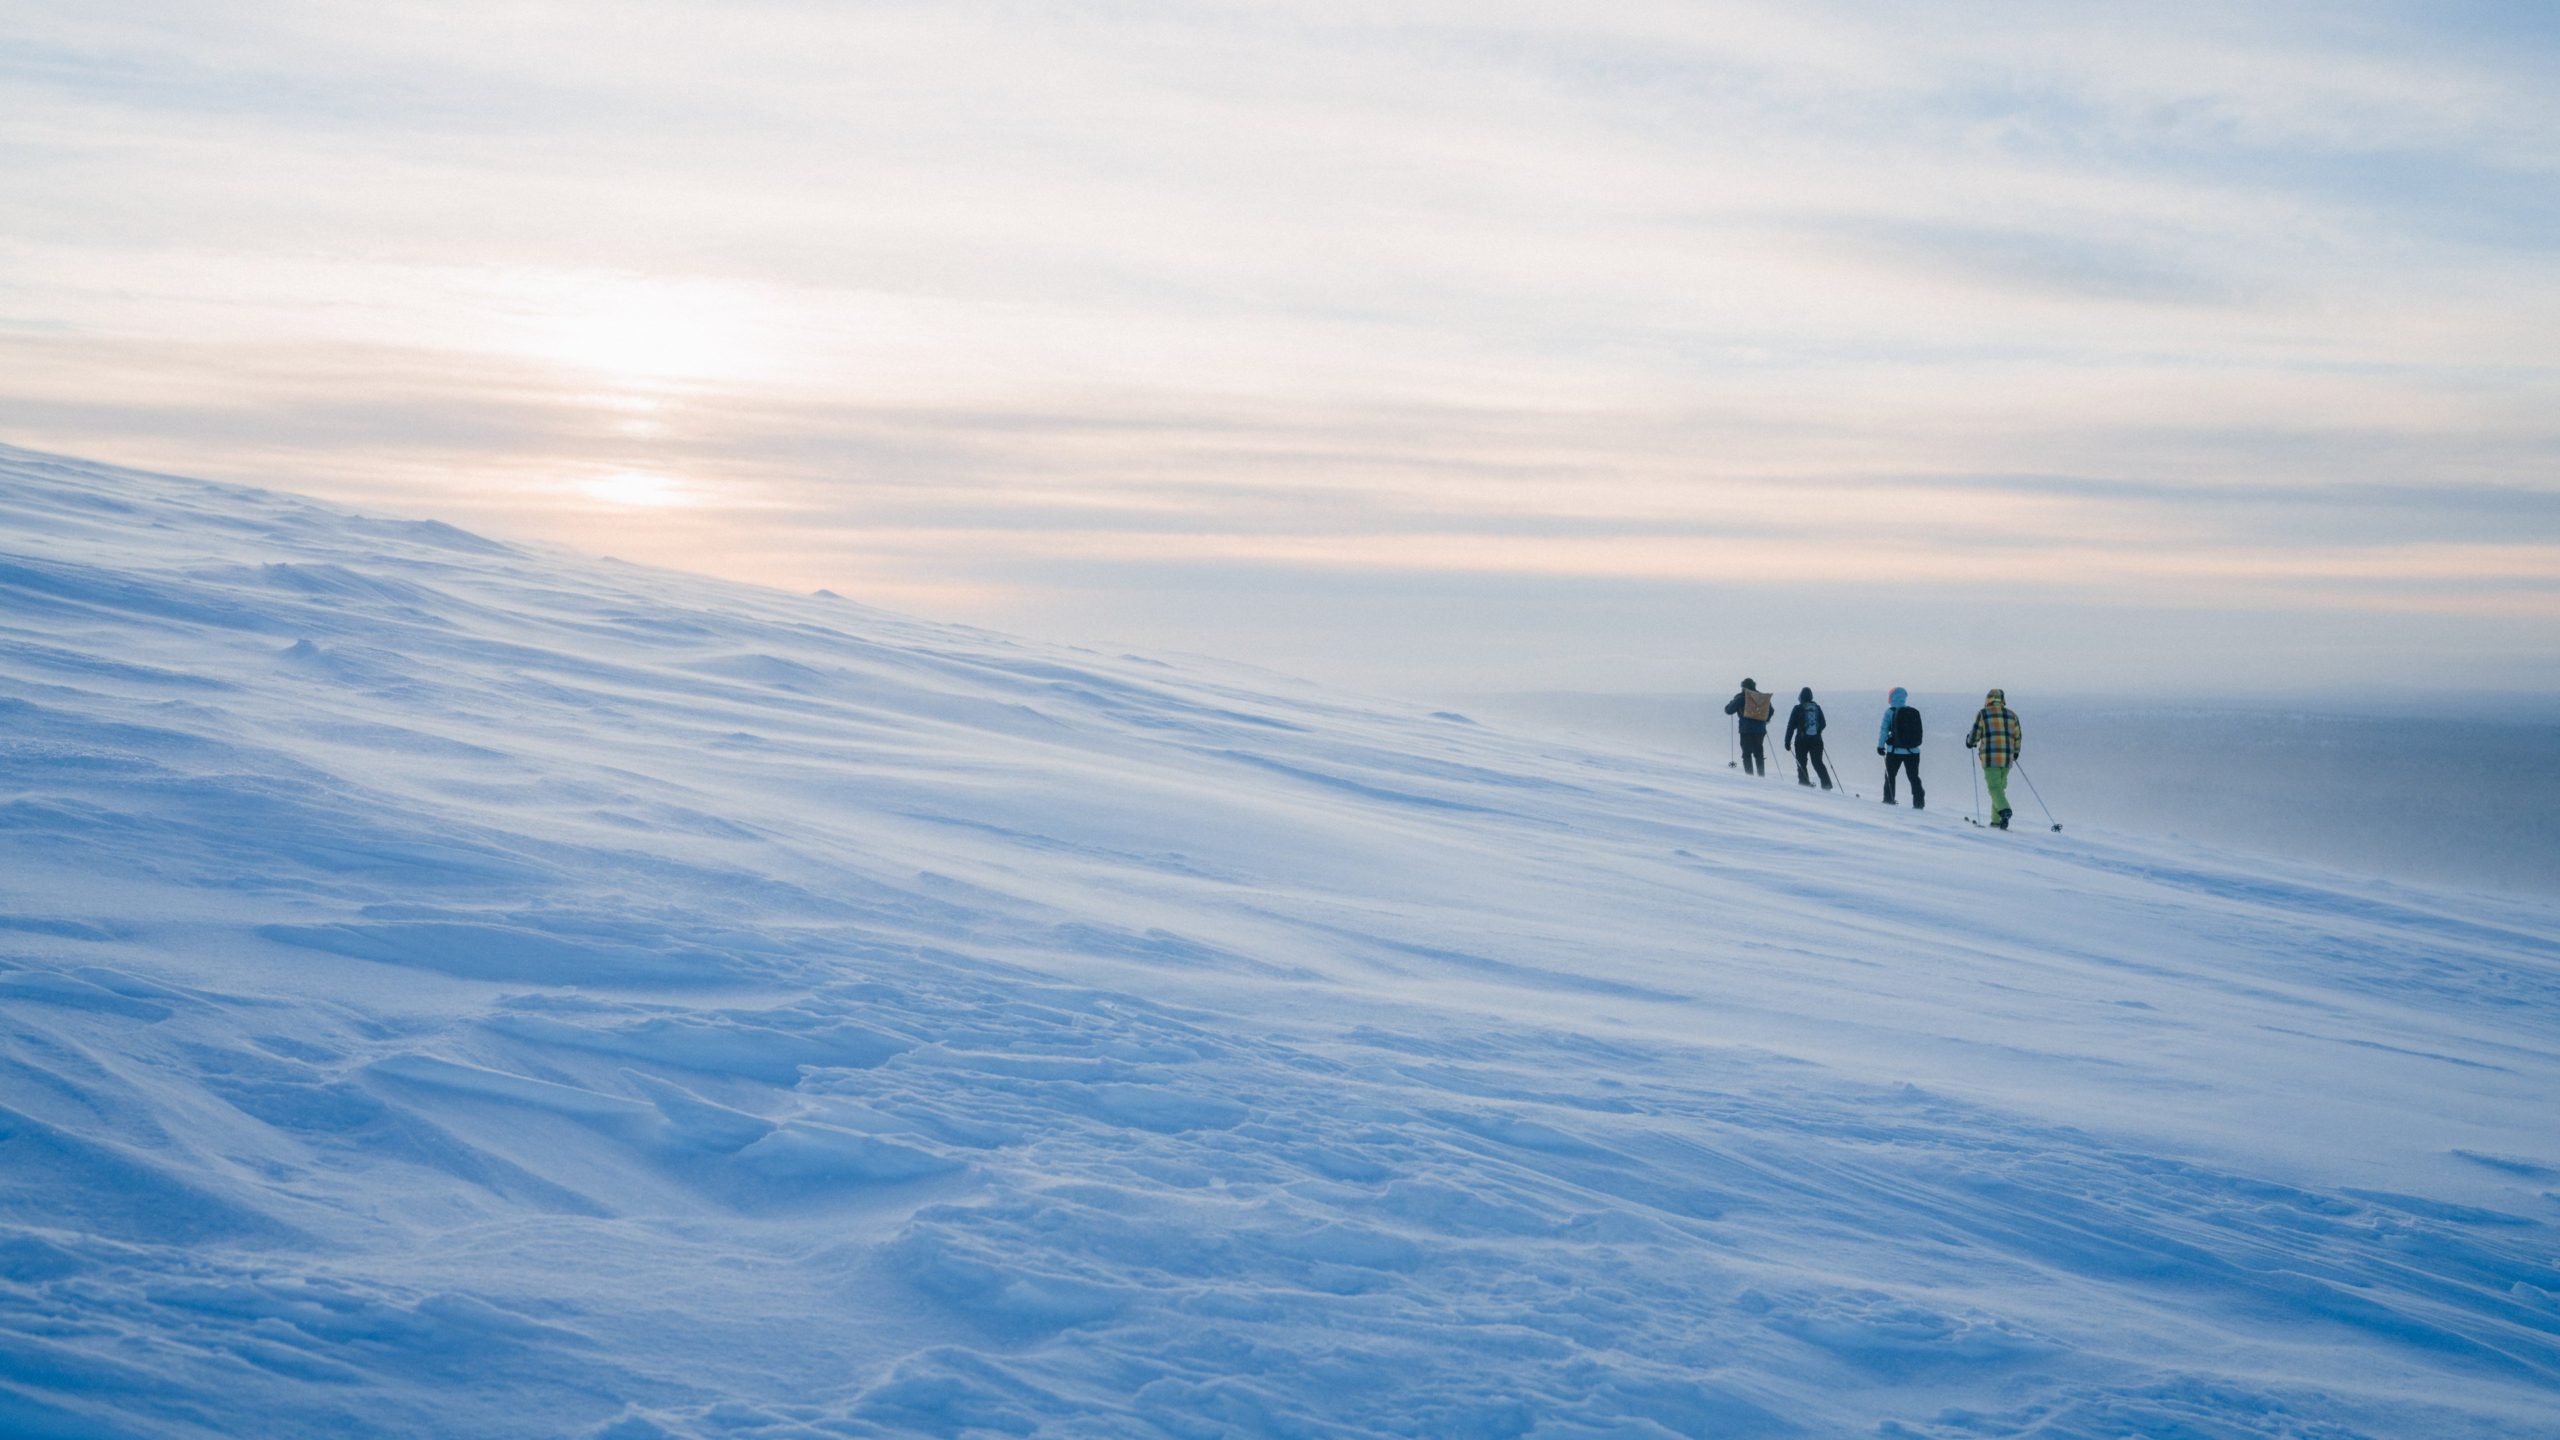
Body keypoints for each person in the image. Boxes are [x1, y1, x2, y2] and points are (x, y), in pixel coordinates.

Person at [1965, 687, 2023, 828]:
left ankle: (2004, 810)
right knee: (1999, 788)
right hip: (2007, 758)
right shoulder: (2012, 715)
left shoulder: (1983, 714)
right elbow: (2018, 736)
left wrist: (1969, 742)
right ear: (2002, 700)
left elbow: (1975, 734)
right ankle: (1996, 821)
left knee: (1993, 788)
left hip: (1991, 757)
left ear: (1988, 699)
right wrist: (2015, 753)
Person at [1876, 686, 1925, 808]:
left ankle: (1889, 799)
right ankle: (1919, 803)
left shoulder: (1890, 712)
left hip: (1894, 751)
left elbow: (1883, 730)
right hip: (1913, 751)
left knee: (1890, 775)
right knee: (1913, 777)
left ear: (1891, 697)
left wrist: (1880, 746)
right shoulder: (1912, 712)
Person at [1783, 686, 1832, 789]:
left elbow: (1791, 726)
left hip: (1801, 741)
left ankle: (1804, 784)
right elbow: (1823, 723)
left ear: (1801, 697)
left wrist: (1787, 741)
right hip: (1816, 740)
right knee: (1817, 762)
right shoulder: (1817, 708)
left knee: (1801, 763)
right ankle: (1826, 784)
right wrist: (1817, 732)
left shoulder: (1797, 708)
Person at [1724, 678, 1773, 775]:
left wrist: (1731, 702)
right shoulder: (1761, 697)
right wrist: (1765, 720)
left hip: (1746, 729)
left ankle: (1749, 776)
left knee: (1746, 753)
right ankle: (1761, 775)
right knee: (1759, 753)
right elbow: (1771, 710)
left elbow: (1729, 710)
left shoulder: (1742, 697)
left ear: (1743, 687)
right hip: (1760, 730)